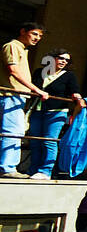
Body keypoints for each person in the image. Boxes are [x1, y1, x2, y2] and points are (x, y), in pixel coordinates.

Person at [24, 47, 84, 179]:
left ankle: (45, 171)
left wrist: (79, 99)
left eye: (66, 60)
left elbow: (74, 91)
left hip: (56, 112)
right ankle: (33, 169)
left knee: (49, 141)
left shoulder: (69, 75)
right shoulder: (40, 72)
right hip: (37, 110)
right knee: (35, 141)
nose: (64, 61)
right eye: (61, 58)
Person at [1, 22, 49, 178]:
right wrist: (36, 89)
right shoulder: (12, 46)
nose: (37, 38)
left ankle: (7, 166)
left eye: (40, 36)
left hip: (17, 96)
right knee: (13, 131)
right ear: (23, 31)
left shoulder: (22, 49)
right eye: (35, 34)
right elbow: (13, 70)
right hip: (11, 95)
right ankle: (7, 168)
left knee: (15, 130)